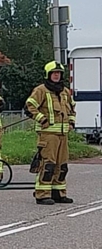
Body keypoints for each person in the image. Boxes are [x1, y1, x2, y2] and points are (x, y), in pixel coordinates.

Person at [25, 61, 77, 205]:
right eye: (54, 73)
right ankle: (42, 194)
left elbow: (72, 109)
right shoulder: (41, 90)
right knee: (48, 165)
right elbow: (29, 107)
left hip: (63, 135)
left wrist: (71, 122)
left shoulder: (65, 91)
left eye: (59, 73)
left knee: (62, 166)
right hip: (48, 135)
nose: (56, 75)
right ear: (48, 74)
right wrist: (42, 120)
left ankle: (58, 193)